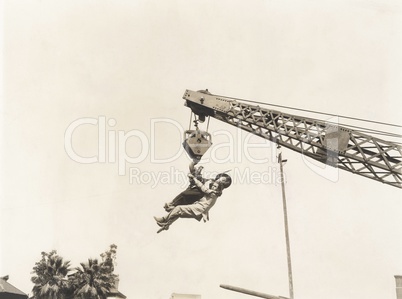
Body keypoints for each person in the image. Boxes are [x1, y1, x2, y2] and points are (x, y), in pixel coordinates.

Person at [154, 172, 231, 233]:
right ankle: (167, 224)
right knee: (179, 212)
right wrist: (197, 176)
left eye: (223, 180)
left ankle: (164, 219)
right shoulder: (215, 189)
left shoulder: (214, 192)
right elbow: (205, 182)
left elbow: (203, 188)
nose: (219, 179)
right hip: (199, 208)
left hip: (199, 209)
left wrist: (194, 178)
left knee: (178, 208)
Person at [163, 161, 232, 212]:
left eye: (223, 180)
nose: (220, 180)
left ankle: (172, 206)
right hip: (197, 189)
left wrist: (197, 180)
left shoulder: (218, 190)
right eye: (221, 178)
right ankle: (171, 204)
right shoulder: (211, 180)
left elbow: (207, 189)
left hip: (200, 194)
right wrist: (197, 177)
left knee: (185, 195)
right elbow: (204, 181)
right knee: (184, 194)